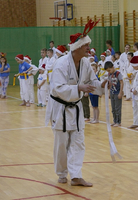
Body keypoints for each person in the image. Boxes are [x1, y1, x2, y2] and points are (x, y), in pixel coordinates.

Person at [45, 19, 107, 186]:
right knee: (61, 144)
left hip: (76, 108)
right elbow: (58, 88)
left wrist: (102, 85)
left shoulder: (86, 63)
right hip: (60, 108)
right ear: (77, 47)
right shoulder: (61, 64)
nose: (89, 48)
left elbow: (92, 82)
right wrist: (79, 87)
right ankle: (62, 173)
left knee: (78, 142)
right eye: (86, 45)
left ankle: (76, 175)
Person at [105, 61, 123, 127]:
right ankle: (115, 120)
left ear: (113, 67)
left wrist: (120, 92)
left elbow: (121, 82)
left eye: (109, 70)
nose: (109, 71)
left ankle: (118, 122)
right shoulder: (109, 74)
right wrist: (109, 92)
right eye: (107, 71)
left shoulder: (118, 73)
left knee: (117, 108)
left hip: (117, 92)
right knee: (113, 108)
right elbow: (109, 83)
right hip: (112, 92)